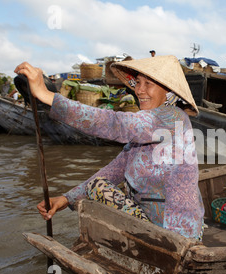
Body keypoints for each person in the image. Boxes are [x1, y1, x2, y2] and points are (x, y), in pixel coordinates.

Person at [14, 56, 205, 240]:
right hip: (153, 221)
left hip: (176, 232)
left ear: (169, 92)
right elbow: (114, 170)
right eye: (138, 83)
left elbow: (114, 123)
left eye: (149, 84)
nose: (139, 90)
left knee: (97, 188)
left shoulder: (172, 118)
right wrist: (66, 199)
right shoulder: (147, 129)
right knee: (99, 183)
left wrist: (47, 95)